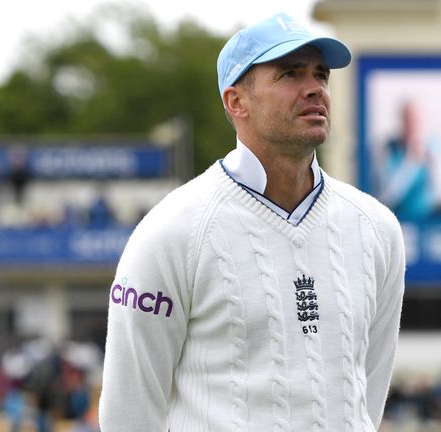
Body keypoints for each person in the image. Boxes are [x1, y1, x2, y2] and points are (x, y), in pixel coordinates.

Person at [99, 13, 405, 431]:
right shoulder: (171, 230)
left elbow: (365, 395)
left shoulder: (376, 228)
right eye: (290, 74)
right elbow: (129, 414)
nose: (315, 87)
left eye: (321, 74)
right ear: (236, 102)